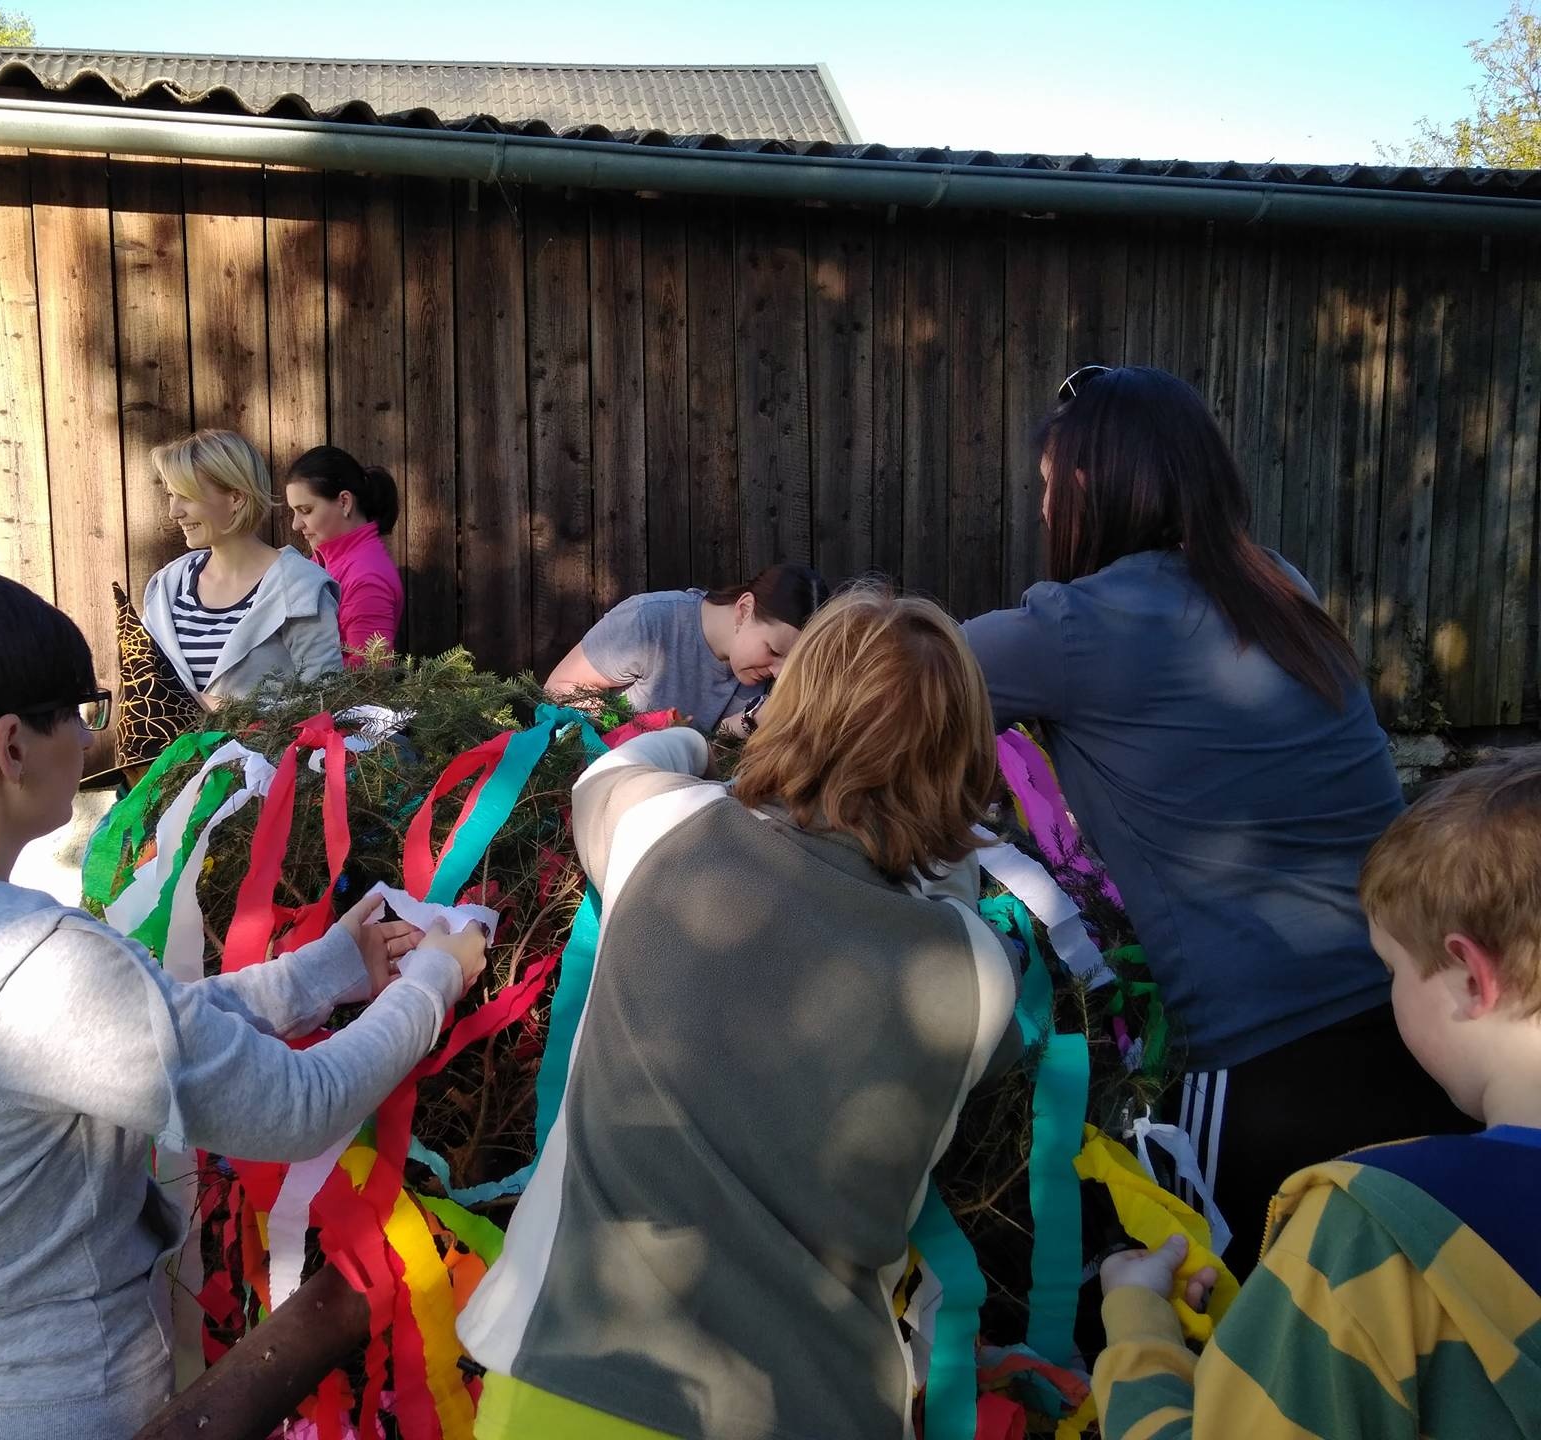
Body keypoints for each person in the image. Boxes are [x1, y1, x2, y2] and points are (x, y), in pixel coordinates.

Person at [0, 563, 487, 1440]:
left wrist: (326, 971)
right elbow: (298, 1105)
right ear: (12, 747)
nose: (93, 734)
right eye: (80, 709)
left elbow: (135, 1031)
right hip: (53, 1415)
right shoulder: (43, 968)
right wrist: (435, 980)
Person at [459, 585, 1021, 1440]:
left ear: (792, 710)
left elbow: (603, 778)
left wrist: (694, 740)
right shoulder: (978, 968)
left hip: (574, 1385)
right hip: (825, 1411)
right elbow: (948, 891)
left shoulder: (665, 826)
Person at [961, 365, 1472, 1277]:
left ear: (1082, 485)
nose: (1041, 513)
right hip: (1423, 1026)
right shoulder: (1280, 588)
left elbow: (875, 686)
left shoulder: (1070, 627)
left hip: (1263, 1073)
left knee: (1238, 1334)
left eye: (1044, 488)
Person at [1092, 751, 1541, 1439]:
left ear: (1472, 977)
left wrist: (1138, 1326)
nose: (1392, 993)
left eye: (1391, 970)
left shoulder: (1371, 1232)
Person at [143, 429, 342, 706]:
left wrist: (219, 707)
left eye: (187, 496)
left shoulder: (300, 587)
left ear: (236, 498)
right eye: (170, 495)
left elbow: (326, 703)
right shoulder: (168, 586)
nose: (174, 512)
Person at [544, 562, 829, 736]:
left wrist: (743, 725)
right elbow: (559, 687)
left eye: (791, 663)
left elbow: (714, 756)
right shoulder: (649, 621)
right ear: (744, 609)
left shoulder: (773, 678)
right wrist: (635, 731)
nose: (779, 674)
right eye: (774, 651)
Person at [283, 444, 404, 665]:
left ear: (344, 502)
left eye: (306, 510)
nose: (296, 524)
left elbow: (370, 675)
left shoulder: (367, 579)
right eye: (294, 511)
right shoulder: (327, 560)